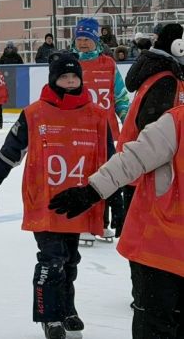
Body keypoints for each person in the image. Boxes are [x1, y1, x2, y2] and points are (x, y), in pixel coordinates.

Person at [0, 52, 114, 339]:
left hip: (78, 202)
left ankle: (67, 308)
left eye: (74, 76)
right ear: (53, 80)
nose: (70, 81)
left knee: (69, 260)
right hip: (44, 202)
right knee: (51, 259)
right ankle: (49, 316)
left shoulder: (96, 115)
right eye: (64, 77)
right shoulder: (35, 113)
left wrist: (115, 194)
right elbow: (11, 150)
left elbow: (110, 158)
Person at [48, 103, 184, 338]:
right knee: (155, 325)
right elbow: (134, 158)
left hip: (160, 250)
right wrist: (93, 190)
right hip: (161, 250)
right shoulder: (177, 122)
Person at [72, 18, 130, 242]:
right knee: (82, 177)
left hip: (105, 131)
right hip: (79, 132)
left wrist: (126, 118)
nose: (83, 43)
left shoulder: (108, 64)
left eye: (87, 39)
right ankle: (84, 222)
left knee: (105, 177)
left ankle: (101, 223)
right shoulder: (72, 64)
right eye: (80, 39)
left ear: (95, 40)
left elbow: (120, 96)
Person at [119, 23, 184, 216]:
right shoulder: (166, 79)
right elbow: (154, 131)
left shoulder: (164, 73)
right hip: (147, 168)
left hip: (141, 165)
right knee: (146, 234)